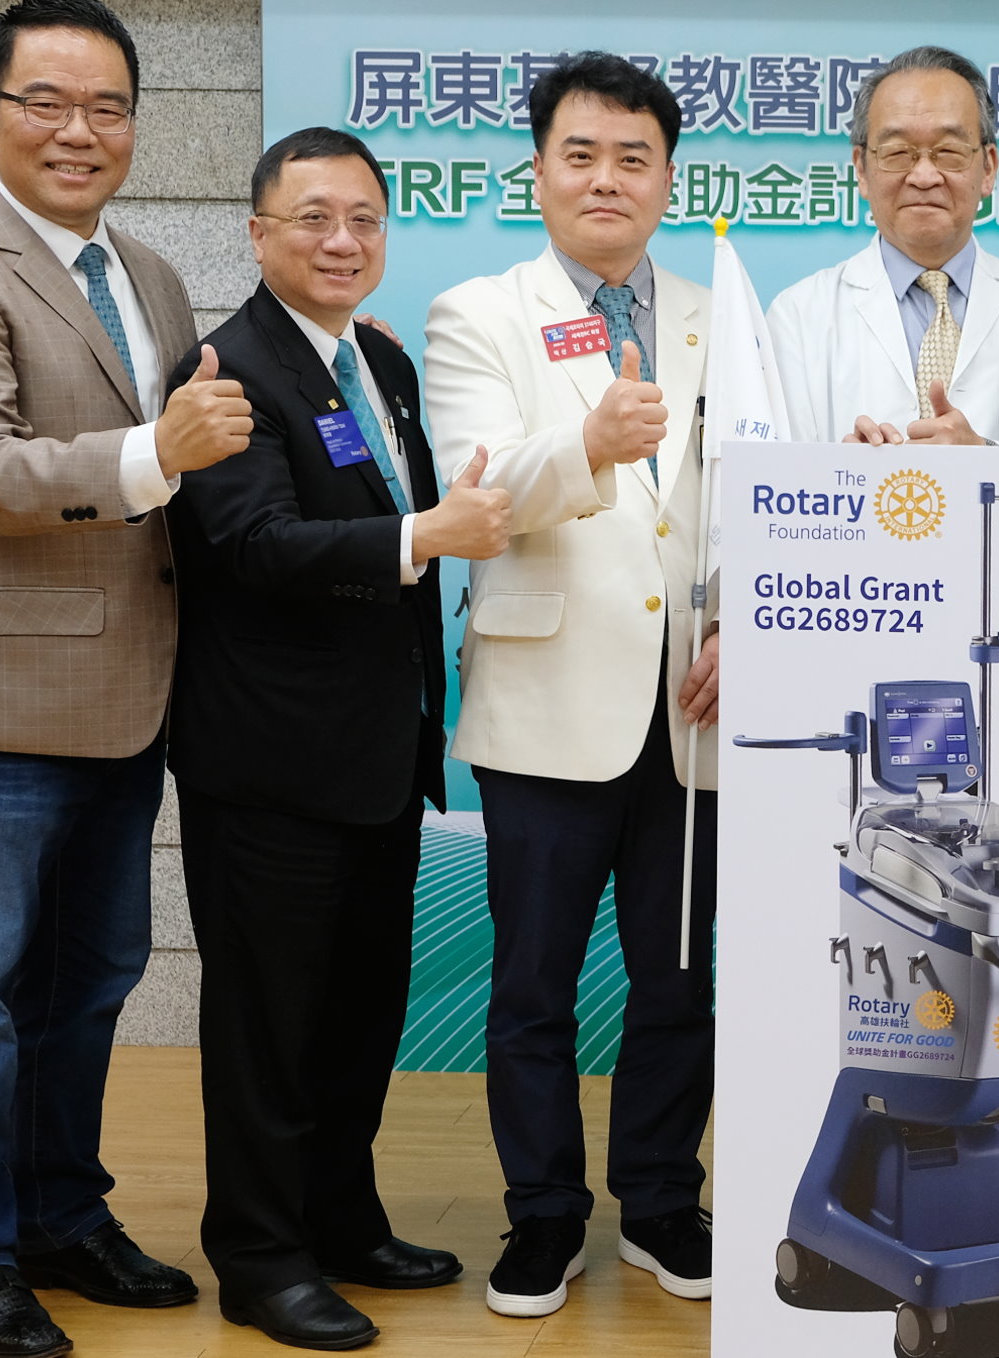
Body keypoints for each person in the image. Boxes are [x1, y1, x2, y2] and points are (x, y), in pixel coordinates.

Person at [0, 2, 256, 1353]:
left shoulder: (147, 273)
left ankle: (57, 1213)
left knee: (89, 979)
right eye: (47, 101)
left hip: (128, 694)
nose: (79, 131)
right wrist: (158, 451)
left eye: (107, 107)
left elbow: (196, 452)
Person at [162, 127, 512, 1350]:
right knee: (267, 1025)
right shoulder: (225, 369)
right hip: (268, 763)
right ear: (258, 233)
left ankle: (341, 1218)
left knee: (360, 1010)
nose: (341, 240)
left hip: (375, 756)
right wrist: (428, 535)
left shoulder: (377, 358)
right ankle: (260, 1258)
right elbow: (253, 544)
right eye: (312, 218)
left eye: (363, 218)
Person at [421, 51, 718, 1321]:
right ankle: (542, 1213)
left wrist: (748, 622)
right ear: (537, 172)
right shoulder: (478, 312)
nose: (607, 178)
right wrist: (586, 444)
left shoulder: (717, 315)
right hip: (546, 702)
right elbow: (474, 487)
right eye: (580, 155)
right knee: (534, 986)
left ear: (667, 179)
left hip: (697, 706)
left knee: (681, 978)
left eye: (633, 157)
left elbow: (762, 497)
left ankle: (659, 1200)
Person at [767, 44, 999, 446]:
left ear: (988, 168)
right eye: (897, 153)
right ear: (861, 170)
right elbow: (772, 472)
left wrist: (986, 458)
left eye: (949, 152)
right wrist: (840, 473)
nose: (924, 176)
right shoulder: (798, 316)